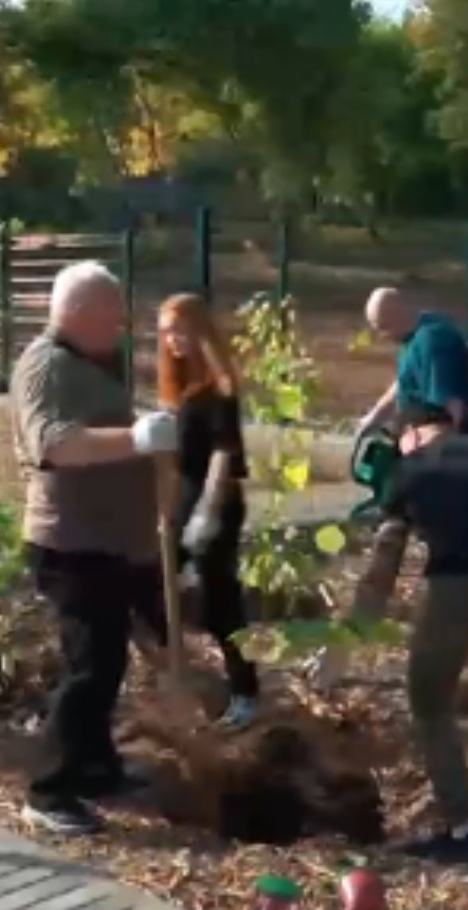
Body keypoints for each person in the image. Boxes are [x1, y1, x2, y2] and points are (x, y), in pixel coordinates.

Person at [317, 401, 468, 864]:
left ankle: (462, 828)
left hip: (466, 580)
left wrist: (348, 638)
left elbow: (382, 569)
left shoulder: (408, 471)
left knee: (428, 696)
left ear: (409, 434)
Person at [12, 260, 179, 835]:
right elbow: (53, 444)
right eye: (112, 312)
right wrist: (135, 437)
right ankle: (47, 790)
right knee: (90, 669)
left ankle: (96, 768)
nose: (121, 323)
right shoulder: (45, 366)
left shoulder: (93, 360)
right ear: (80, 312)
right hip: (72, 543)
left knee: (109, 661)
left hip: (114, 542)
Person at [157, 292, 262, 730]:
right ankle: (181, 677)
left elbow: (224, 455)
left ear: (201, 331)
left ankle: (245, 691)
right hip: (183, 504)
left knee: (222, 602)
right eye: (166, 332)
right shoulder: (180, 390)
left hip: (214, 506)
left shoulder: (219, 390)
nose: (173, 340)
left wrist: (207, 513)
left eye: (181, 329)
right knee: (151, 585)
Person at [356, 288, 468, 436]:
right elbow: (405, 381)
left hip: (440, 439)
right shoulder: (413, 336)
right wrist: (374, 417)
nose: (381, 336)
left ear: (397, 315)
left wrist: (448, 451)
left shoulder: (433, 341)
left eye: (383, 327)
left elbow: (453, 404)